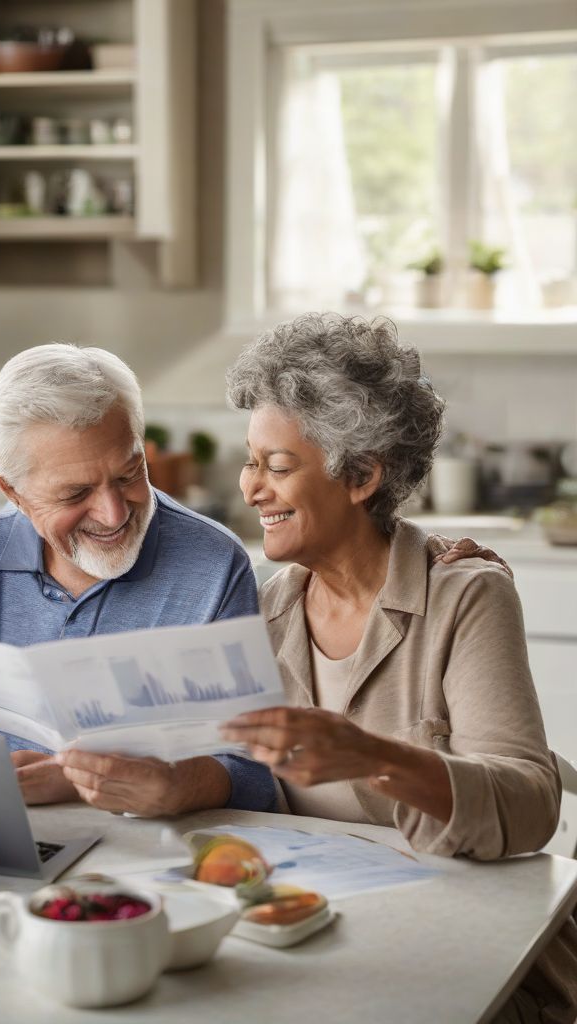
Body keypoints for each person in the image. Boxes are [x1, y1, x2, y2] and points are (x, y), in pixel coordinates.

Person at [218, 312, 576, 1023]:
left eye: (277, 466)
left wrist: (370, 756)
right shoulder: (260, 612)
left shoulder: (465, 593)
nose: (250, 487)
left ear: (360, 476)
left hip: (476, 955)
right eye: (251, 460)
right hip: (324, 945)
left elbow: (532, 803)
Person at [0, 343, 277, 816]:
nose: (113, 513)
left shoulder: (213, 563)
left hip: (147, 857)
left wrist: (163, 785)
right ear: (11, 490)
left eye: (129, 474)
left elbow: (250, 770)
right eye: (75, 493)